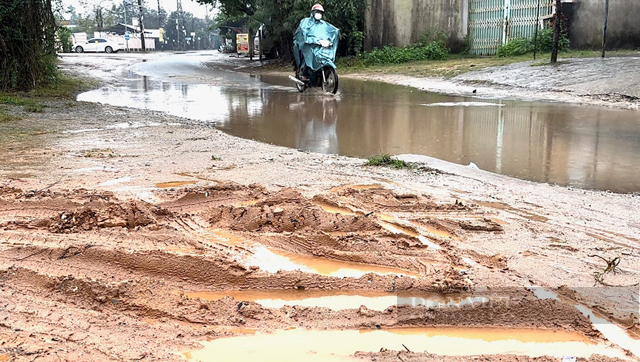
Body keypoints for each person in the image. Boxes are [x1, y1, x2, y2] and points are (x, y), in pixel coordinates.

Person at [294, 4, 338, 81]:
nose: (319, 14)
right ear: (313, 12)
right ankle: (304, 74)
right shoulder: (305, 22)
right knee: (308, 56)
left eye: (321, 12)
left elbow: (333, 30)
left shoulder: (324, 24)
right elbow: (303, 31)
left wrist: (332, 39)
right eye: (317, 12)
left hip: (319, 46)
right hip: (308, 45)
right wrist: (309, 40)